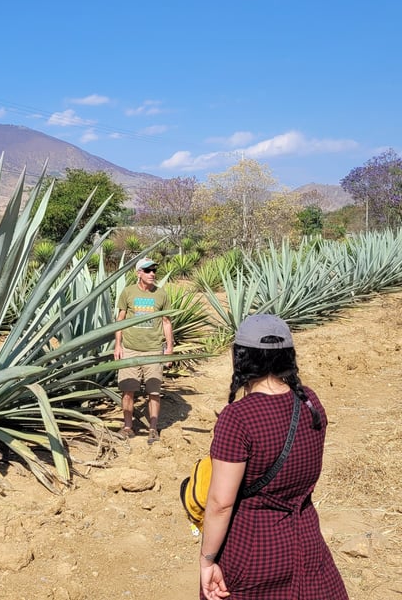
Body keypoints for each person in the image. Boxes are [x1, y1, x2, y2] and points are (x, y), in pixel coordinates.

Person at [199, 314, 348, 600]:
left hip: (252, 547)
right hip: (306, 541)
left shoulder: (238, 417)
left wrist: (207, 560)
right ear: (287, 358)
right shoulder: (309, 401)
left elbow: (220, 503)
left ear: (240, 358)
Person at [113, 256, 174, 442]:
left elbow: (166, 322)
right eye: (147, 270)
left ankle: (153, 428)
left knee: (154, 392)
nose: (152, 274)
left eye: (154, 270)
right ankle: (128, 427)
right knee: (127, 390)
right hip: (130, 349)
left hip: (154, 350)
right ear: (138, 273)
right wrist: (118, 345)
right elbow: (120, 320)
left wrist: (169, 348)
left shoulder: (161, 294)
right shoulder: (128, 292)